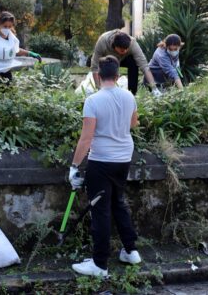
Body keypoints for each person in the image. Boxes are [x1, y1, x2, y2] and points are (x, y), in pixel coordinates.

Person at [68, 55, 141, 277]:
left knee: (100, 210)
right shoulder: (129, 96)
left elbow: (86, 138)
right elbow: (133, 123)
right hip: (123, 159)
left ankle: (100, 264)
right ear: (118, 76)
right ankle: (131, 251)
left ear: (98, 75)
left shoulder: (93, 100)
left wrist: (74, 166)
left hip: (102, 161)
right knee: (118, 203)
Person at [90, 30, 160, 96]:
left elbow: (144, 65)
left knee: (133, 62)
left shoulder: (132, 43)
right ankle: (105, 88)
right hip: (107, 61)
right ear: (115, 46)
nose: (125, 51)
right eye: (122, 50)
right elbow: (95, 67)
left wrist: (154, 88)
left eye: (127, 49)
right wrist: (99, 88)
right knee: (104, 69)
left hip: (124, 60)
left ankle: (132, 93)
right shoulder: (102, 42)